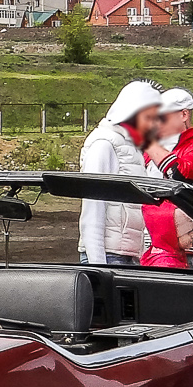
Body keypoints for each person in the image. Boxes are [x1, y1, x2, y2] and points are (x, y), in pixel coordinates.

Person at [78, 80, 162, 265]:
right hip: (108, 257)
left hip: (128, 254)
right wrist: (98, 266)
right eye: (149, 117)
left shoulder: (132, 148)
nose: (154, 125)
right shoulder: (104, 145)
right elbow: (93, 209)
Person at [141, 87, 193, 269]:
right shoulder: (155, 150)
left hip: (176, 247)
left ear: (183, 115)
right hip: (146, 240)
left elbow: (179, 176)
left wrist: (148, 143)